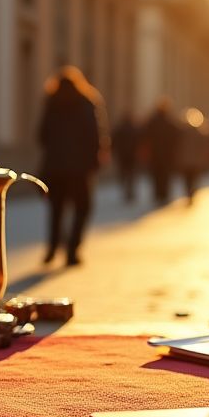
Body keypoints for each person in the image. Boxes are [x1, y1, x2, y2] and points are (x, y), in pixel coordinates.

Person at [37, 66, 108, 267]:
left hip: (55, 166)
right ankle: (72, 250)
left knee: (56, 209)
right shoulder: (86, 102)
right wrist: (95, 160)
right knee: (82, 208)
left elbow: (41, 135)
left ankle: (52, 248)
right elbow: (95, 135)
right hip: (80, 167)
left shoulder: (51, 103)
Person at [143, 98, 179, 206]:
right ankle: (164, 194)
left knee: (156, 175)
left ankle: (158, 194)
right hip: (167, 155)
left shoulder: (152, 121)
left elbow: (145, 136)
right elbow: (176, 138)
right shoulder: (170, 121)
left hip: (155, 154)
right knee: (165, 175)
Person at [111, 111, 140, 203]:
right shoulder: (134, 128)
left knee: (124, 173)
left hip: (122, 155)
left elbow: (113, 141)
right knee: (131, 174)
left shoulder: (119, 128)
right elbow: (138, 141)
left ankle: (125, 190)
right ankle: (130, 191)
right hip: (132, 155)